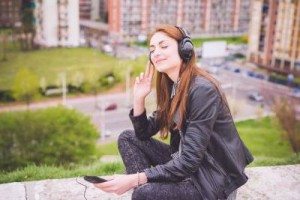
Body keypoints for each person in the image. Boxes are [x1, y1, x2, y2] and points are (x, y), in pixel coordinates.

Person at [94, 24, 254, 200]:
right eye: (152, 49)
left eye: (163, 46)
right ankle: (150, 190)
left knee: (142, 193)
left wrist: (135, 179)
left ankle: (147, 191)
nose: (156, 53)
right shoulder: (174, 87)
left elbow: (189, 162)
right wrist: (139, 98)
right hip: (188, 167)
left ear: (184, 49)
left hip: (210, 180)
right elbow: (142, 133)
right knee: (127, 138)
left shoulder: (202, 90)